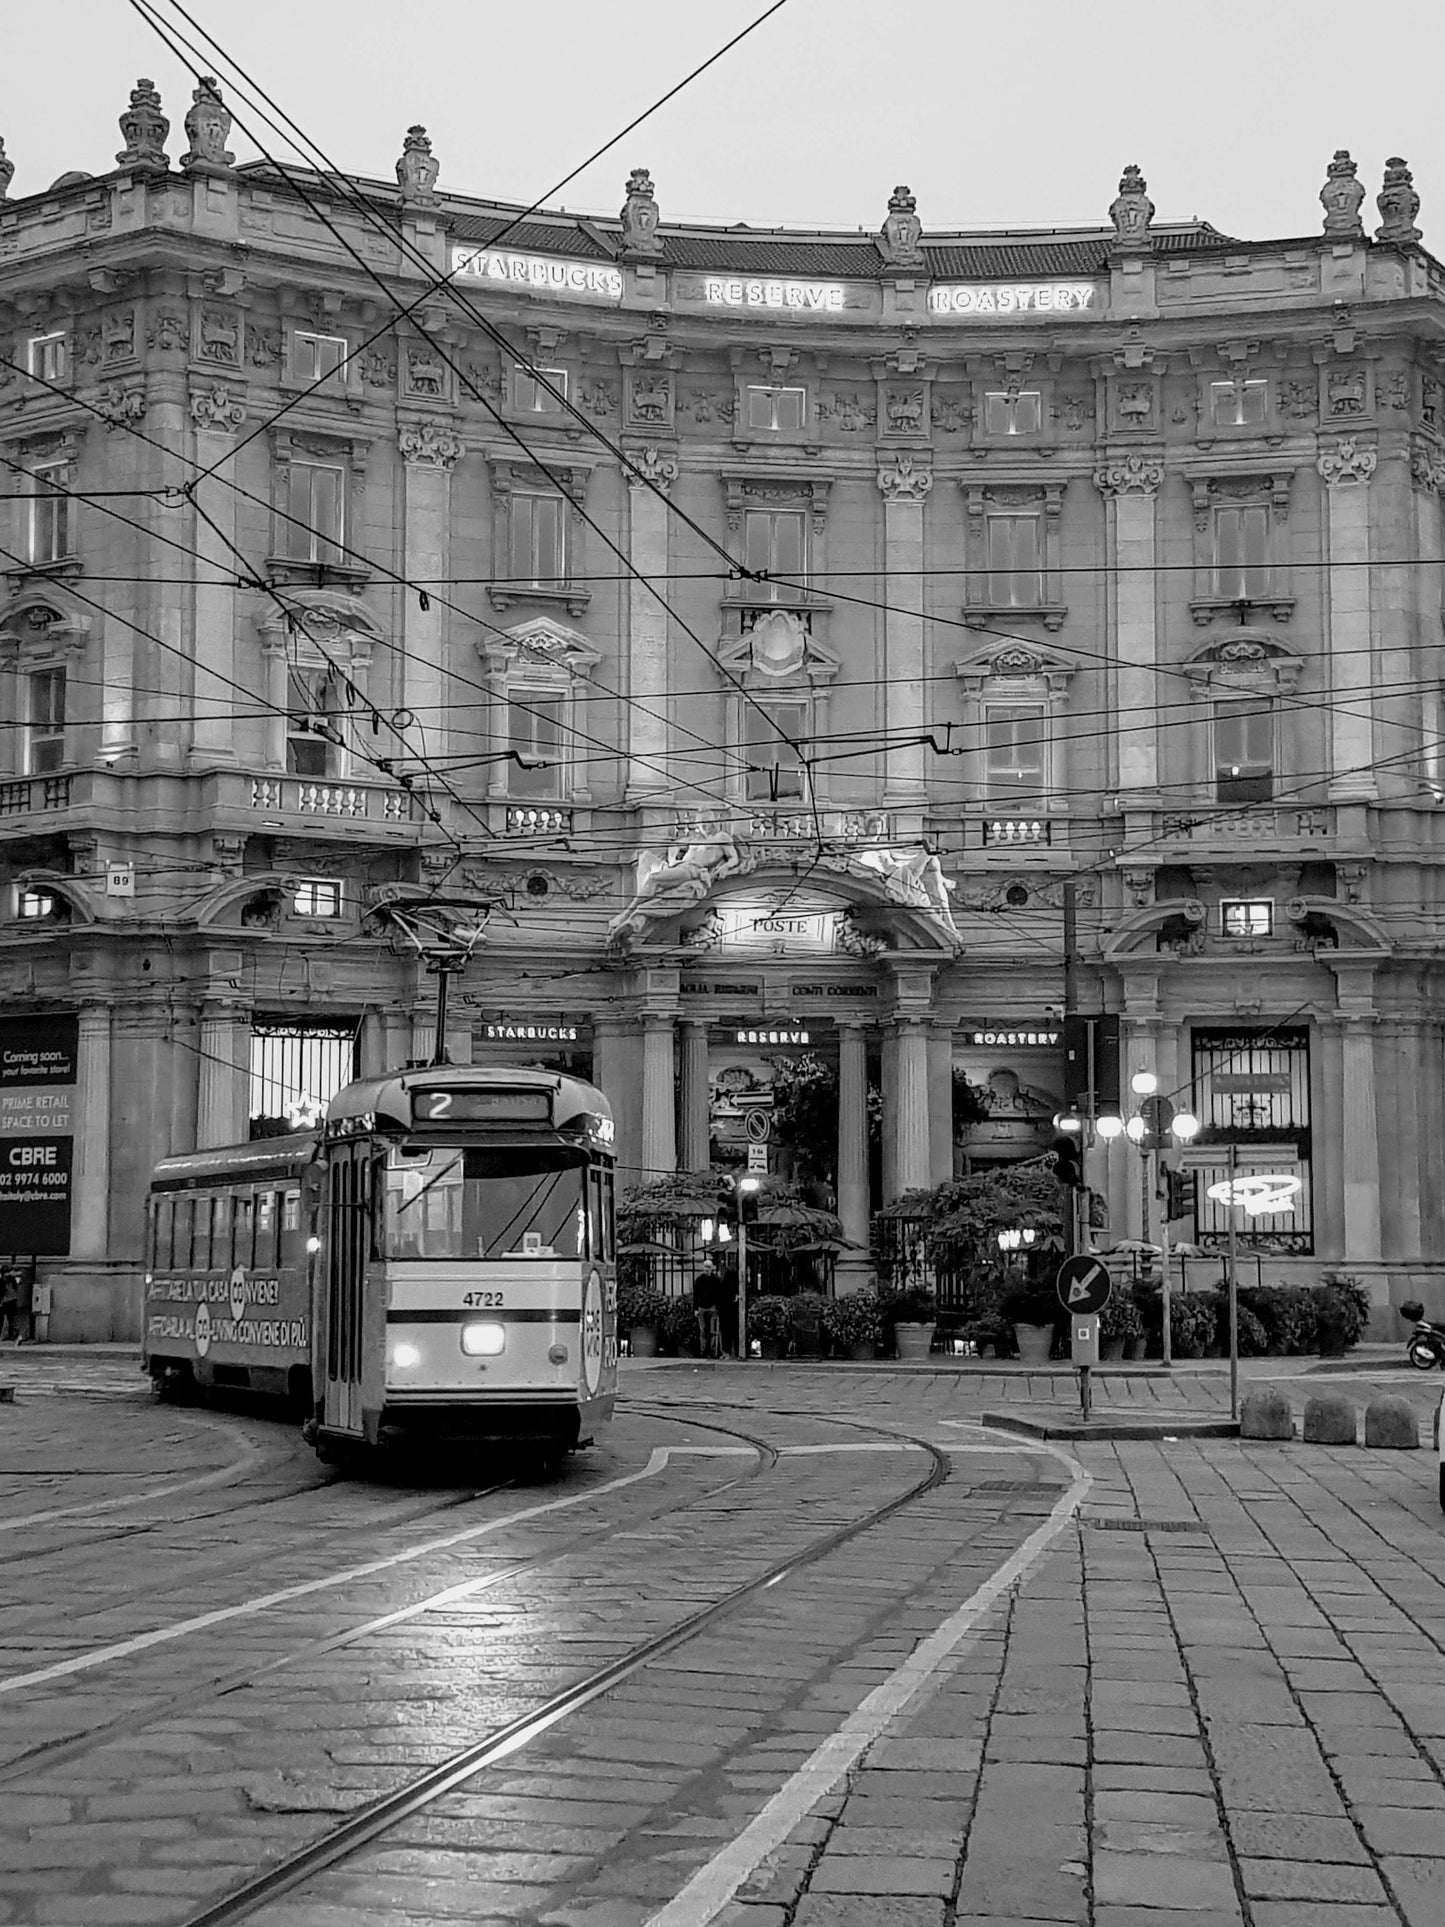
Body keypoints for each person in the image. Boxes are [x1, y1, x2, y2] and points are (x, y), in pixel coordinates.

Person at [692, 1262, 724, 1360]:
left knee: (713, 1331)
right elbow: (696, 1295)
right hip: (702, 1308)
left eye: (708, 1267)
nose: (707, 1269)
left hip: (712, 1308)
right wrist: (695, 1308)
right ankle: (703, 1351)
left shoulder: (716, 1280)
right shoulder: (699, 1280)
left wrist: (718, 1308)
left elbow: (719, 1295)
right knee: (703, 1331)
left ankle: (713, 1351)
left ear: (712, 1268)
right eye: (705, 1267)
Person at [0, 1266, 20, 1344]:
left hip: (8, 1302)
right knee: (11, 1319)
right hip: (9, 1301)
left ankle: (15, 1335)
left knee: (11, 1319)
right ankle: (13, 1335)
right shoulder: (10, 1281)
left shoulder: (10, 1281)